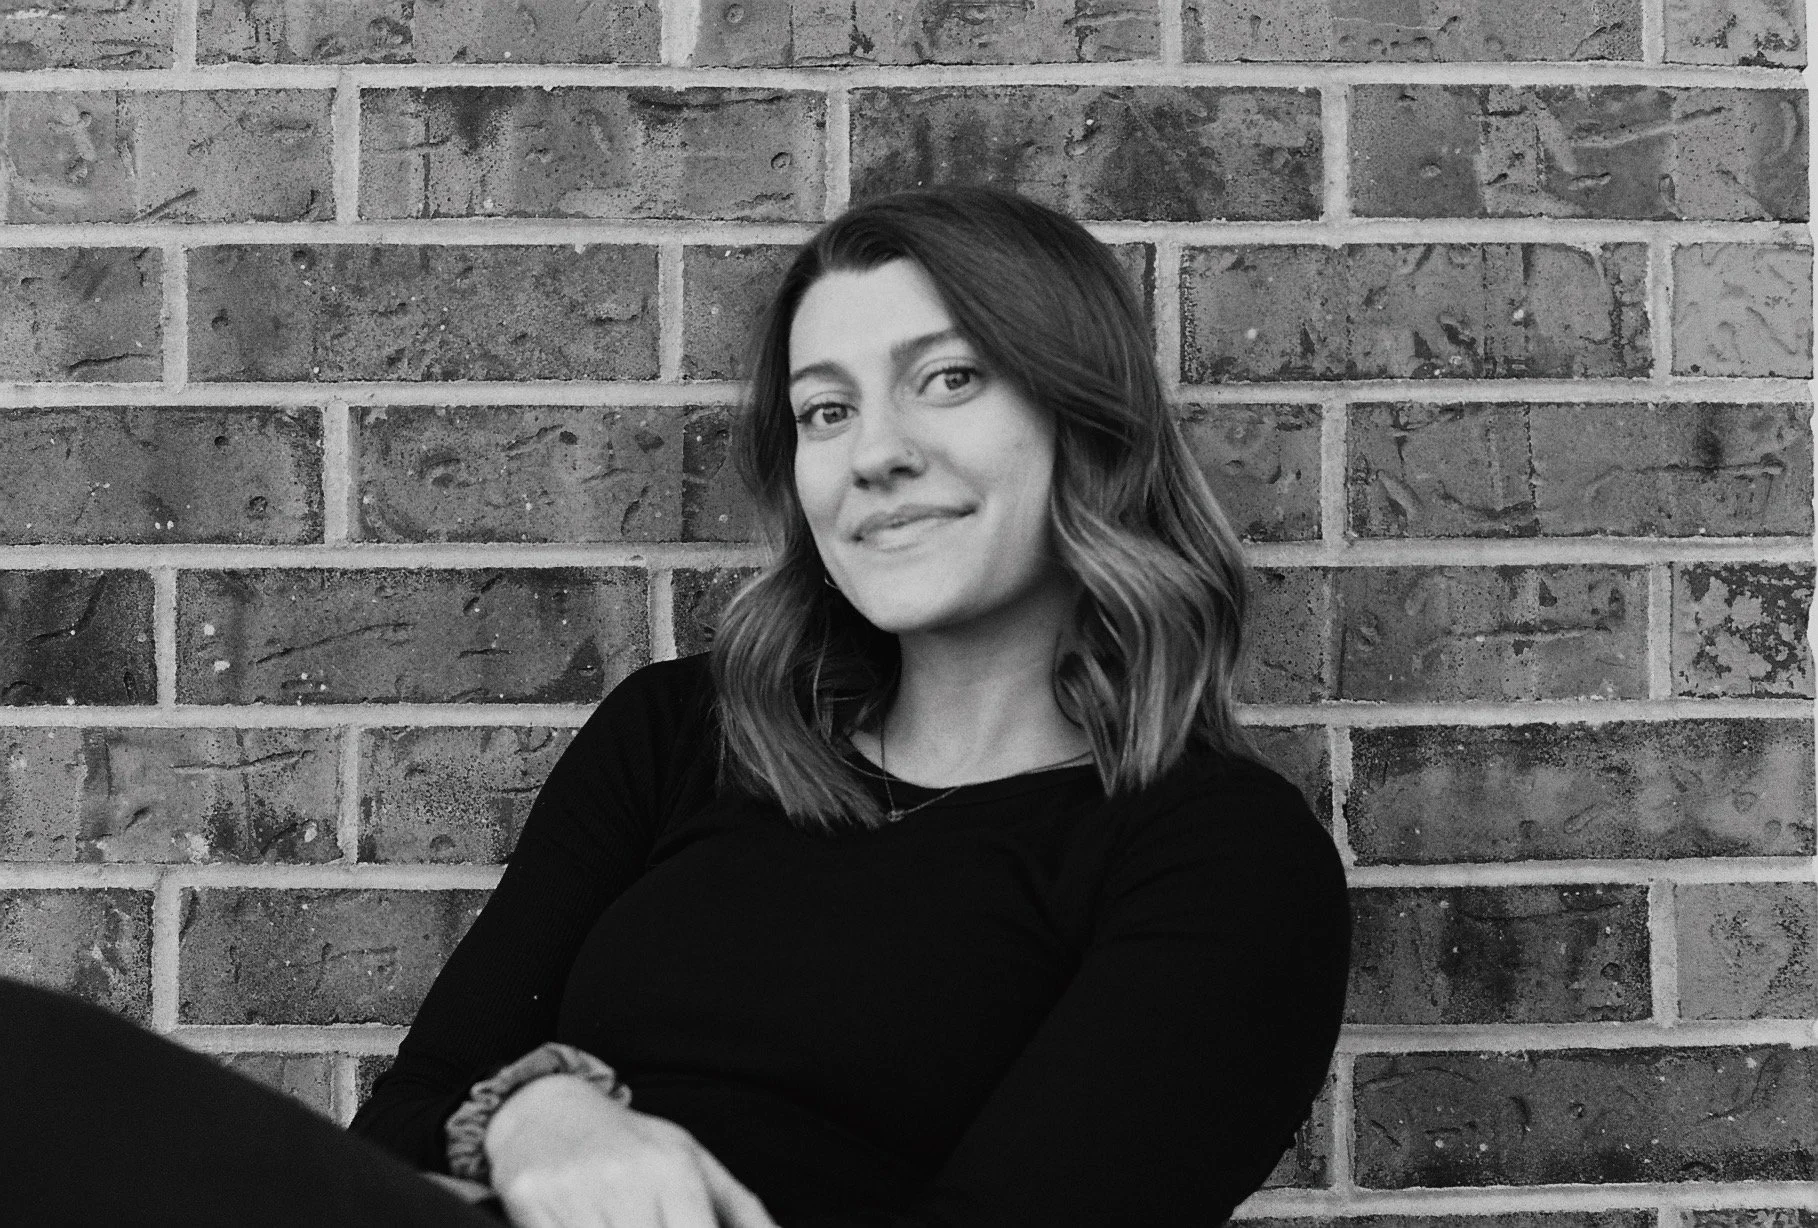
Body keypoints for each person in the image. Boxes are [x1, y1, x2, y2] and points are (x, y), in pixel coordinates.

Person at [0, 184, 1349, 1228]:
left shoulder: (1216, 858)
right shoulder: (684, 735)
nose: (874, 454)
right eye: (823, 412)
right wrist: (539, 1117)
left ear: (1085, 425)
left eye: (947, 380)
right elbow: (405, 1123)